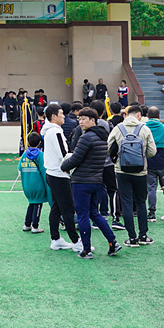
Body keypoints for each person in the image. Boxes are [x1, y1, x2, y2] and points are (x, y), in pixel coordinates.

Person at [60, 107, 122, 259]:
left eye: (83, 119)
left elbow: (76, 158)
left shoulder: (86, 137)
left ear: (92, 120)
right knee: (95, 213)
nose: (80, 122)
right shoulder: (102, 136)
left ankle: (86, 249)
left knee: (83, 216)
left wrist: (63, 166)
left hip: (82, 181)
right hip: (96, 180)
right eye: (79, 119)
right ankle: (112, 242)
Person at [107, 106, 156, 247]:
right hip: (141, 171)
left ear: (126, 115)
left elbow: (108, 147)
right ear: (139, 115)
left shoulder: (118, 128)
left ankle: (132, 238)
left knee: (127, 203)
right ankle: (143, 235)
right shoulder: (144, 129)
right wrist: (141, 157)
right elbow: (152, 151)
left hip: (122, 170)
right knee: (141, 202)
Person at [39, 104, 80, 252]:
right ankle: (76, 242)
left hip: (52, 173)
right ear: (54, 116)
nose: (64, 116)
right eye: (61, 114)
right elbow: (64, 154)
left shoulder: (50, 131)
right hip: (59, 175)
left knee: (56, 208)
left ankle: (56, 239)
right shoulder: (55, 132)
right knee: (68, 209)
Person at [19, 132, 47, 233]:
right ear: (40, 143)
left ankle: (27, 224)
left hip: (27, 185)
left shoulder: (24, 154)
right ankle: (35, 226)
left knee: (31, 203)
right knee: (38, 204)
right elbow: (44, 170)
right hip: (38, 185)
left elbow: (19, 167)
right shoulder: (40, 155)